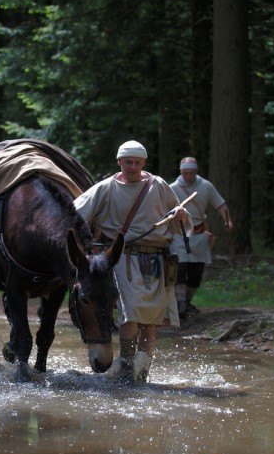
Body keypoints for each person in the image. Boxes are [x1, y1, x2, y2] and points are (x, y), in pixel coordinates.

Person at [74, 140, 191, 383]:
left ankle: (142, 373)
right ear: (119, 162)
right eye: (128, 162)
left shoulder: (158, 185)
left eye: (137, 162)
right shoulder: (105, 188)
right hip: (123, 259)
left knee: (151, 321)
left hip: (157, 261)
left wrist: (180, 214)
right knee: (130, 315)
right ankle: (127, 370)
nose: (133, 166)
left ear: (144, 163)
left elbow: (181, 216)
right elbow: (74, 214)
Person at [169, 157, 233, 319]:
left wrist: (228, 220)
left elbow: (220, 204)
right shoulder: (172, 189)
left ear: (196, 172)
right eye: (185, 173)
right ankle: (180, 304)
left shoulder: (206, 186)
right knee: (180, 269)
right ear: (181, 172)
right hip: (179, 235)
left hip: (199, 235)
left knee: (196, 272)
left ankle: (187, 301)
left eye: (191, 173)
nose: (188, 176)